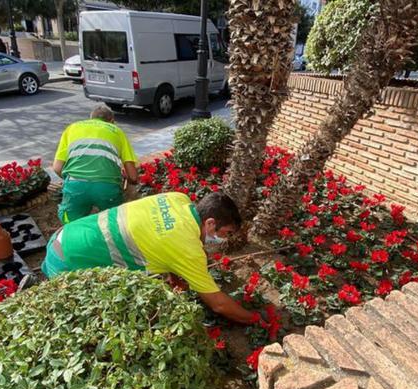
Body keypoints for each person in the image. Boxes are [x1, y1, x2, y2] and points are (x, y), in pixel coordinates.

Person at [41, 191, 259, 325]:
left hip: (63, 236)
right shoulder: (187, 248)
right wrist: (254, 319)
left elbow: (156, 233)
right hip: (67, 263)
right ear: (210, 223)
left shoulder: (177, 199)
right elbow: (219, 304)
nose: (223, 239)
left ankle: (40, 281)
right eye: (226, 233)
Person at [52, 104, 138, 224]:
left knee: (71, 223)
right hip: (107, 186)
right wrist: (128, 181)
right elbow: (133, 176)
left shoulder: (72, 128)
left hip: (75, 186)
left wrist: (76, 180)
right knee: (113, 223)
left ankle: (71, 236)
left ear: (91, 119)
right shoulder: (117, 131)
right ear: (112, 121)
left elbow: (57, 168)